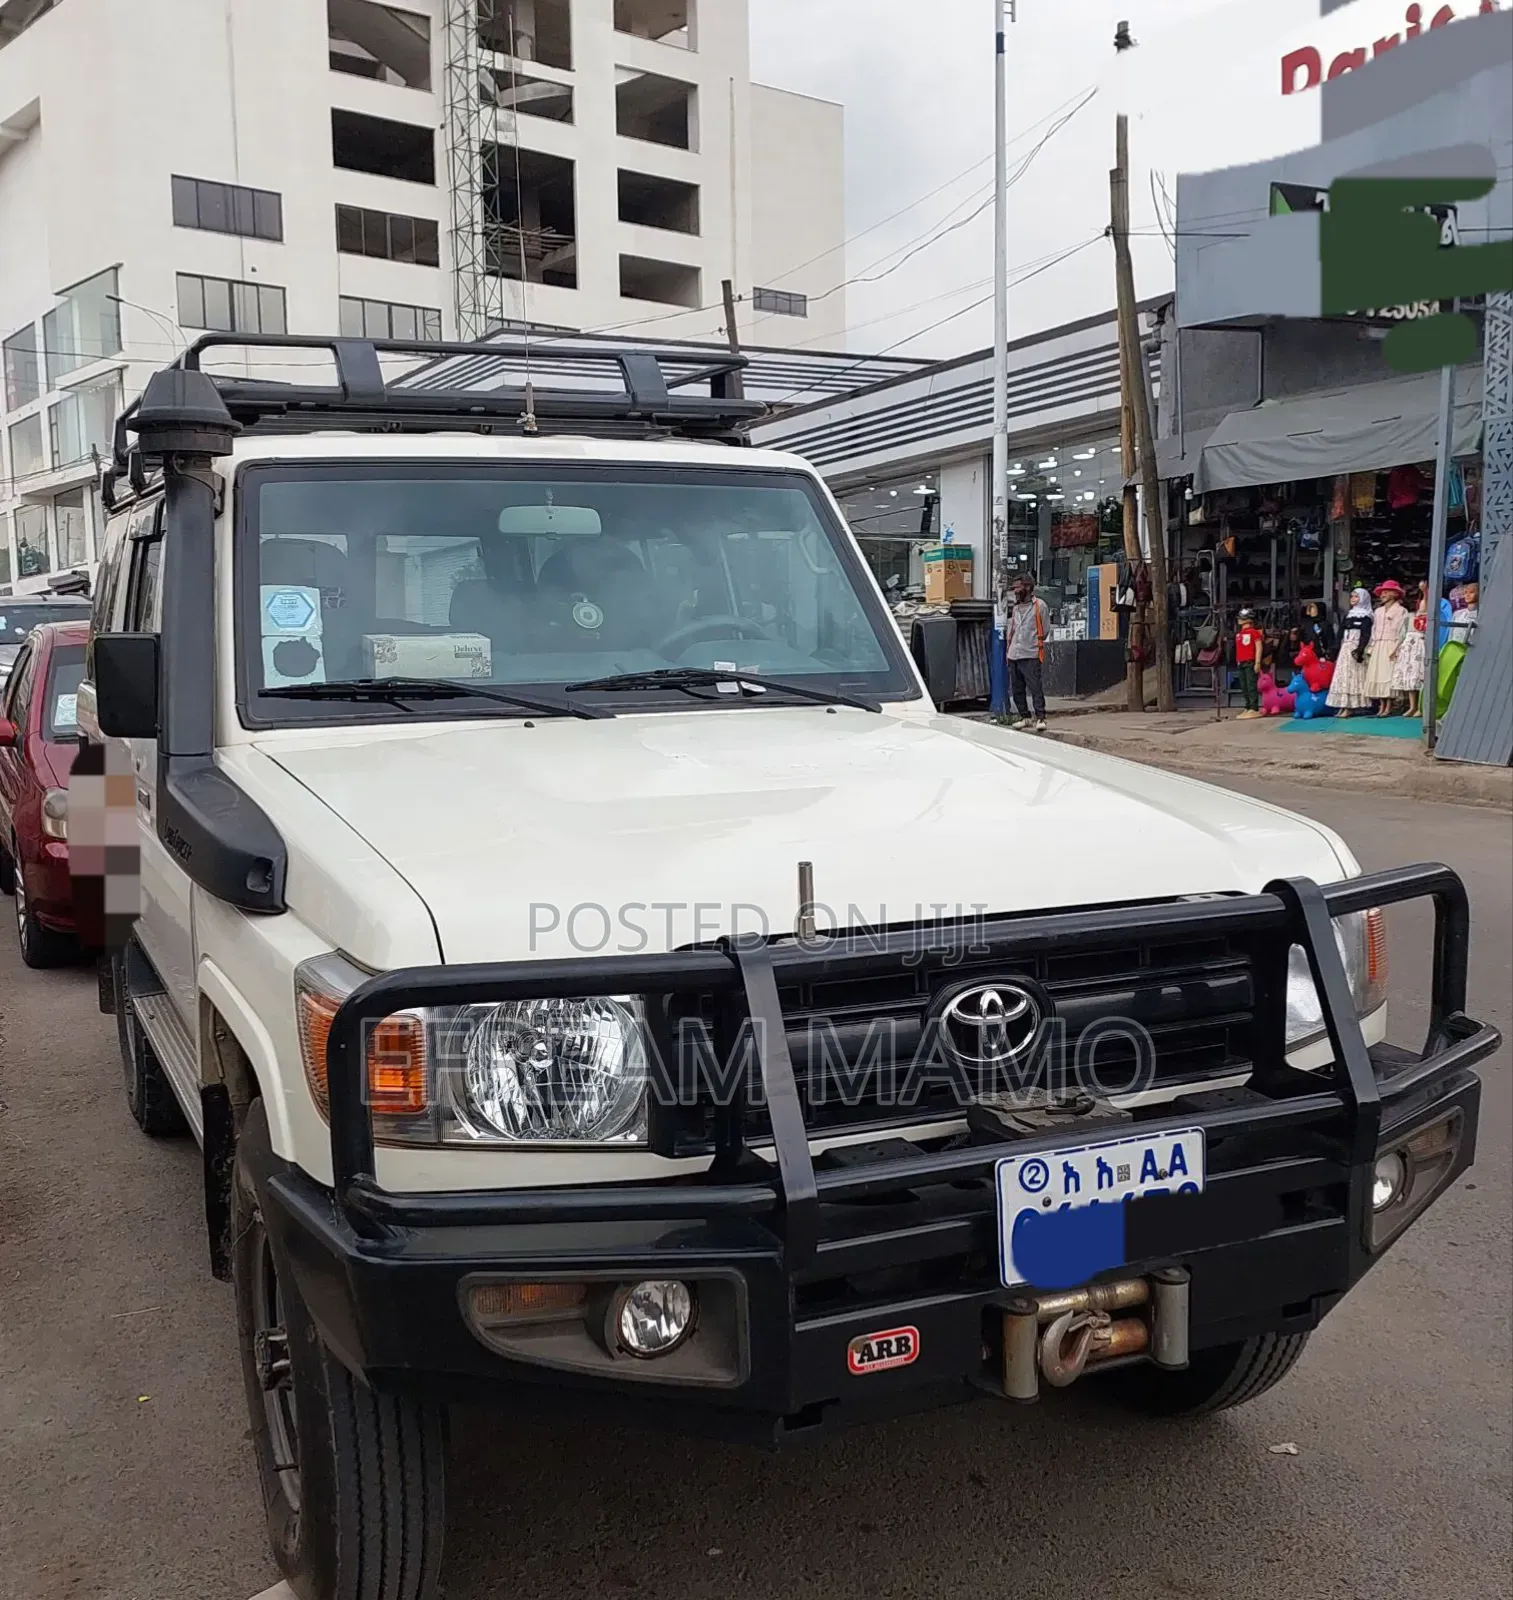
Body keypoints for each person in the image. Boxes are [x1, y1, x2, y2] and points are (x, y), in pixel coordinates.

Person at [1004, 576, 1050, 731]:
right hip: (1014, 654)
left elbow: (1045, 630)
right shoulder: (1016, 608)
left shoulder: (1040, 606)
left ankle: (1041, 717)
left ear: (1028, 588)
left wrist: (1033, 641)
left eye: (1018, 587)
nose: (1015, 591)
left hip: (1030, 653)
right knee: (1017, 688)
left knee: (1035, 687)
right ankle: (1025, 717)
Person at [1327, 588, 1375, 717]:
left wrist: (1360, 650)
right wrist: (1335, 648)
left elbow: (1366, 635)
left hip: (1355, 649)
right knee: (1343, 676)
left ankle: (1350, 707)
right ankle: (1342, 705)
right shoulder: (1348, 615)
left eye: (1356, 597)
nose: (1353, 599)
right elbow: (1340, 633)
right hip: (1345, 648)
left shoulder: (1367, 617)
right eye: (1352, 596)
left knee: (1354, 677)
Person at [1364, 579, 1409, 716]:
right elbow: (1374, 629)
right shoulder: (1378, 611)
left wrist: (1397, 648)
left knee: (1388, 674)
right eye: (1382, 592)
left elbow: (1402, 631)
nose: (1383, 594)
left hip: (1391, 644)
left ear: (1395, 594)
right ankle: (1381, 705)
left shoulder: (1401, 611)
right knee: (1377, 674)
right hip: (1379, 644)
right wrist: (1371, 646)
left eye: (1387, 591)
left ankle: (1389, 706)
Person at [1394, 581, 1430, 720]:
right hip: (1408, 647)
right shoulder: (1409, 617)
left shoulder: (1428, 618)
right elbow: (1402, 635)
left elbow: (1427, 599)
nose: (1422, 605)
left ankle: (1421, 707)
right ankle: (1412, 706)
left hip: (1419, 645)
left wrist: (1425, 590)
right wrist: (1396, 649)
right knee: (1409, 678)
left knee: (1419, 677)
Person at [1233, 607, 1264, 718]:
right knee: (1244, 685)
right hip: (1241, 662)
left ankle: (1254, 708)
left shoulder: (1254, 633)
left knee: (1251, 685)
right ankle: (1247, 707)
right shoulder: (1239, 634)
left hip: (1250, 662)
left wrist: (1257, 662)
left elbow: (1259, 647)